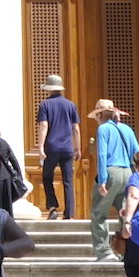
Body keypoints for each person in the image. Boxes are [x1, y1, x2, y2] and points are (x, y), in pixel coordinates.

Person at [89, 101, 138, 261]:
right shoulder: (127, 129)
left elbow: (102, 155)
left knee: (98, 212)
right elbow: (137, 153)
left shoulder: (103, 129)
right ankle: (131, 250)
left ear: (101, 114)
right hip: (128, 173)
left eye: (97, 115)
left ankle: (104, 252)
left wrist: (102, 180)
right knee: (126, 213)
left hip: (111, 172)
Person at [35, 75, 80, 220]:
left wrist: (40, 147)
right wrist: (77, 148)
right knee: (68, 180)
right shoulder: (71, 105)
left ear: (48, 89)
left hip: (51, 147)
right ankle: (69, 213)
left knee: (47, 177)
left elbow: (44, 125)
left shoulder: (45, 105)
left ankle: (53, 207)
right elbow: (76, 128)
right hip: (67, 148)